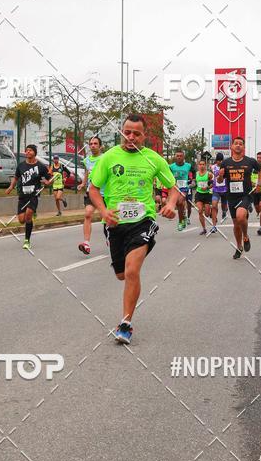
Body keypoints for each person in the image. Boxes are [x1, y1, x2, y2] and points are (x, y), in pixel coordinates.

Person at [88, 114, 181, 344]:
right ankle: (127, 310)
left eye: (136, 134)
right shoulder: (109, 158)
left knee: (131, 271)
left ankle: (126, 323)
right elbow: (93, 189)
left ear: (144, 136)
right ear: (121, 132)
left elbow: (173, 188)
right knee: (121, 275)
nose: (131, 137)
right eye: (127, 132)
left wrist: (170, 204)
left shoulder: (154, 159)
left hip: (143, 220)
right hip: (114, 223)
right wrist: (103, 211)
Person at [218, 136, 261, 259]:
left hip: (246, 195)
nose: (238, 145)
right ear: (232, 146)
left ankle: (245, 236)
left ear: (243, 147)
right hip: (231, 196)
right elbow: (220, 180)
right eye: (236, 143)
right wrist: (220, 176)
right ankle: (239, 246)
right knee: (236, 224)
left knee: (241, 216)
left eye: (241, 144)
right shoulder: (226, 163)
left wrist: (259, 184)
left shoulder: (250, 161)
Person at [5, 144, 53, 250]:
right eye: (26, 150)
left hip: (34, 195)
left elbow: (50, 178)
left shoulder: (40, 166)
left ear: (35, 152)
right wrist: (10, 187)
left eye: (30, 150)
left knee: (28, 216)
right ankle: (32, 214)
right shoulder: (21, 166)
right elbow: (16, 177)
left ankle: (27, 240)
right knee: (22, 220)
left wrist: (47, 182)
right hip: (22, 195)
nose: (28, 152)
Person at [76, 135, 103, 255]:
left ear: (100, 146)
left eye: (95, 143)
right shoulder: (87, 160)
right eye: (91, 144)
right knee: (87, 214)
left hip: (105, 194)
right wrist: (83, 183)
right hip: (91, 192)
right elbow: (87, 172)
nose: (92, 146)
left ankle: (111, 238)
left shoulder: (105, 159)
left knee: (108, 219)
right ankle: (86, 243)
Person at [169, 150, 192, 231]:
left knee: (180, 201)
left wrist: (193, 181)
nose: (179, 157)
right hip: (175, 187)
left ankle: (180, 222)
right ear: (175, 157)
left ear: (183, 157)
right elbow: (168, 175)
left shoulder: (188, 166)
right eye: (177, 156)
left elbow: (194, 173)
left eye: (180, 156)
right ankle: (183, 218)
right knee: (180, 205)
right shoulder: (171, 167)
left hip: (184, 187)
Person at [210, 152, 228, 233]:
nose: (220, 162)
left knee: (224, 207)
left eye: (221, 160)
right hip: (216, 190)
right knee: (214, 206)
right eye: (218, 160)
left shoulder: (226, 167)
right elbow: (210, 175)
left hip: (225, 190)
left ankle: (224, 212)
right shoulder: (213, 167)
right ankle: (214, 226)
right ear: (216, 160)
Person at [194, 159, 213, 235]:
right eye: (200, 164)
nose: (201, 166)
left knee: (207, 214)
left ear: (205, 165)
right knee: (200, 211)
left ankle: (210, 212)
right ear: (198, 165)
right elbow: (195, 183)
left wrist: (207, 187)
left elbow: (212, 184)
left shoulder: (209, 174)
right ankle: (204, 229)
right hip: (199, 194)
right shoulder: (196, 174)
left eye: (203, 164)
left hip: (207, 194)